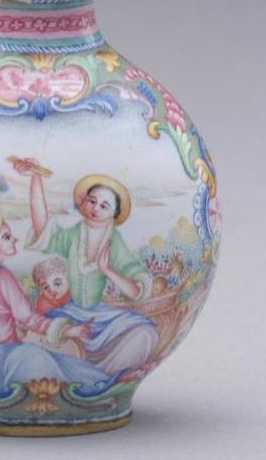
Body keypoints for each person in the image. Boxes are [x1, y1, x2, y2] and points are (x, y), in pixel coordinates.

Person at [0, 207, 121, 398]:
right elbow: (27, 317)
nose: (15, 239)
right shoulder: (1, 275)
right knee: (65, 369)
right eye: (7, 237)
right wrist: (66, 331)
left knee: (60, 363)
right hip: (8, 353)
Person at [13, 158, 159, 375]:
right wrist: (36, 178)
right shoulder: (74, 235)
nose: (95, 209)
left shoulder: (114, 242)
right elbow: (42, 228)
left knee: (146, 334)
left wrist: (107, 270)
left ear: (114, 213)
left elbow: (136, 290)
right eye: (92, 201)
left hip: (101, 317)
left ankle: (100, 376)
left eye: (104, 206)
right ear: (82, 203)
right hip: (68, 312)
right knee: (42, 339)